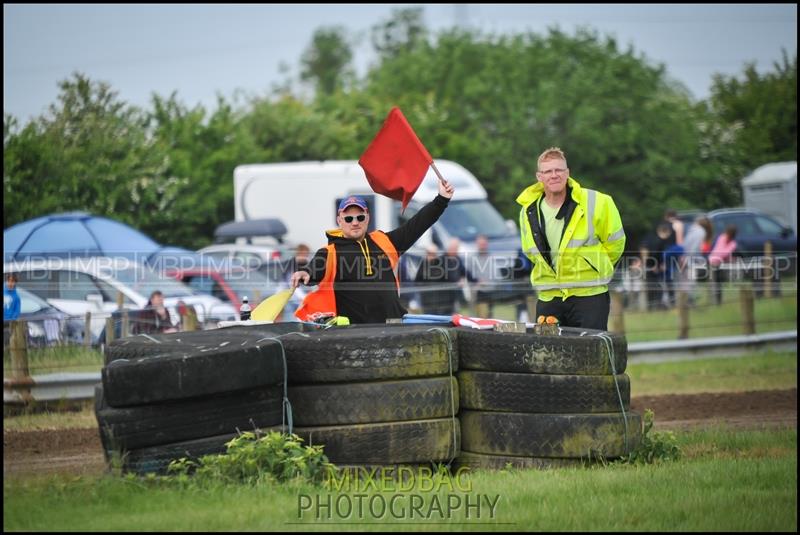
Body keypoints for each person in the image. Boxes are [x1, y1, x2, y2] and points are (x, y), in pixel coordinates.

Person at [291, 178, 455, 324]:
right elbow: (314, 269)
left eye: (360, 217)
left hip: (393, 326)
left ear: (367, 218)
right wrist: (305, 273)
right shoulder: (329, 252)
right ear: (339, 221)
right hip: (355, 334)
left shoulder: (384, 241)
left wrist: (442, 199)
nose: (355, 222)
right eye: (348, 218)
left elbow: (418, 224)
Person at [516, 147, 625, 330]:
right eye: (548, 171)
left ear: (568, 173)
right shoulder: (527, 211)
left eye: (559, 170)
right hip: (549, 297)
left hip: (589, 295)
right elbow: (530, 252)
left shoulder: (598, 201)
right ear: (539, 177)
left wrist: (594, 266)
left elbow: (615, 244)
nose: (554, 175)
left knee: (591, 356)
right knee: (549, 356)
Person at [413, 244, 452, 315]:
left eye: (433, 254)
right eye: (430, 254)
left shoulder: (441, 264)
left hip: (441, 301)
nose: (432, 256)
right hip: (427, 301)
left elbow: (447, 279)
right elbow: (417, 281)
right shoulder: (423, 264)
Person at [708, 224, 738, 306]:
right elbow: (722, 253)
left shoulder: (733, 244)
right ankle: (714, 302)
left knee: (718, 284)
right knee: (714, 283)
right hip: (714, 262)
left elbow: (724, 253)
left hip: (720, 264)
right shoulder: (722, 238)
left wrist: (728, 258)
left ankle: (718, 302)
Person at [468, 234, 496, 317]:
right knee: (481, 316)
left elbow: (496, 274)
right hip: (479, 292)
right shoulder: (472, 258)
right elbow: (469, 274)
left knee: (490, 316)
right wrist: (477, 281)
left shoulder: (492, 257)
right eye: (480, 244)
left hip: (491, 291)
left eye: (484, 244)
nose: (482, 246)